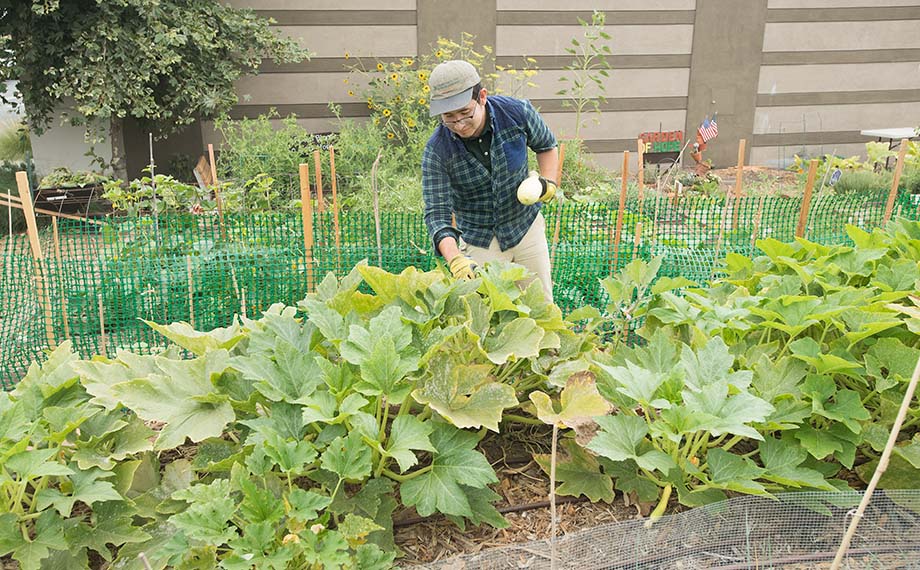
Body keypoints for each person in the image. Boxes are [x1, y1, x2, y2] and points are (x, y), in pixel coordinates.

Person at [421, 59, 560, 302]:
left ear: (482, 96)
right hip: (480, 240)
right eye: (449, 117)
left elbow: (546, 145)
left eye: (465, 113)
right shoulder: (437, 150)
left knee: (540, 307)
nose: (460, 124)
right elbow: (437, 215)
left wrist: (548, 183)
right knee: (487, 315)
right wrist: (455, 260)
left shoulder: (517, 113)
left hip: (525, 227)